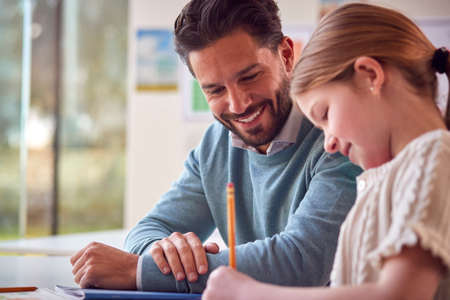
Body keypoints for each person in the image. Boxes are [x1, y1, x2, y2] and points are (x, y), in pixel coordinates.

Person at [70, 0, 360, 293]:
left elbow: (301, 261)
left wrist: (138, 271)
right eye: (216, 90)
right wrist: (167, 252)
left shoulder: (340, 137)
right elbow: (149, 228)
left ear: (286, 56)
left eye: (249, 77)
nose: (238, 104)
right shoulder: (215, 145)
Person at [202, 3, 450, 300]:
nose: (328, 142)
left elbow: (398, 295)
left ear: (370, 75)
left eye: (326, 114)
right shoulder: (387, 180)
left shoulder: (432, 157)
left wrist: (247, 292)